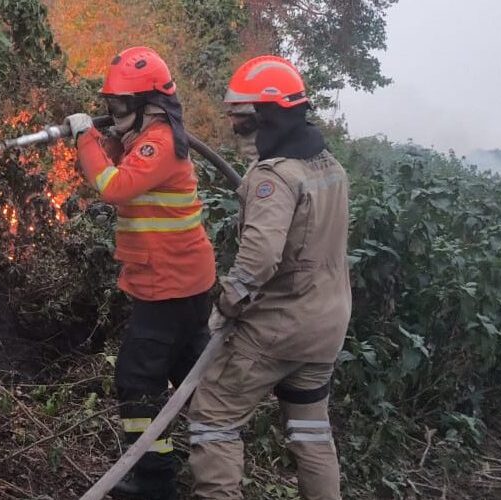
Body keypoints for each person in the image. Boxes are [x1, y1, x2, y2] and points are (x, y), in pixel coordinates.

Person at [186, 55, 352, 500]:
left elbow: (259, 258)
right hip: (326, 328)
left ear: (268, 117)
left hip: (279, 328)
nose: (236, 129)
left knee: (212, 419)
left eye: (242, 120)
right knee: (311, 433)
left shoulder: (273, 177)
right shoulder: (328, 167)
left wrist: (226, 304)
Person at [64, 46, 217, 500]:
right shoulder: (150, 137)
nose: (114, 112)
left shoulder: (161, 141)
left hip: (169, 287)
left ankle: (153, 480)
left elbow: (115, 186)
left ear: (149, 104)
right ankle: (216, 450)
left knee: (137, 380)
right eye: (110, 104)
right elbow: (127, 167)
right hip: (179, 282)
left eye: (119, 105)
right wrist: (102, 137)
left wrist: (85, 140)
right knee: (190, 375)